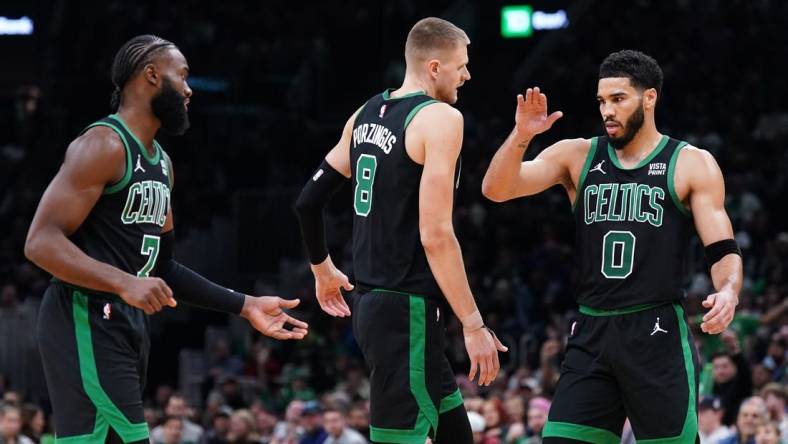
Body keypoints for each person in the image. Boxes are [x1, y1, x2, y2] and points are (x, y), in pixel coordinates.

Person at [24, 34, 309, 443]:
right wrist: (126, 282)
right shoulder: (103, 145)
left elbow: (161, 269)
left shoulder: (162, 164)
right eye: (184, 76)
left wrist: (246, 306)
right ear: (152, 76)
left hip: (126, 323)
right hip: (86, 317)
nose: (190, 89)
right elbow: (40, 242)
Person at [482, 49, 743, 442]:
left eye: (619, 99)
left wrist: (728, 291)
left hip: (656, 332)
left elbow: (722, 248)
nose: (608, 110)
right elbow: (497, 189)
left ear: (649, 97)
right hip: (592, 330)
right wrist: (521, 136)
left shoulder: (690, 163)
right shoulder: (578, 155)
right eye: (602, 101)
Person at [294, 17, 506, 444]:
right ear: (433, 67)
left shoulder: (365, 113)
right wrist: (473, 323)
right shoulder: (441, 119)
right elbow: (436, 233)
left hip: (382, 309)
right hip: (404, 310)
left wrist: (322, 269)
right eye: (461, 65)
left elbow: (308, 202)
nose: (467, 75)